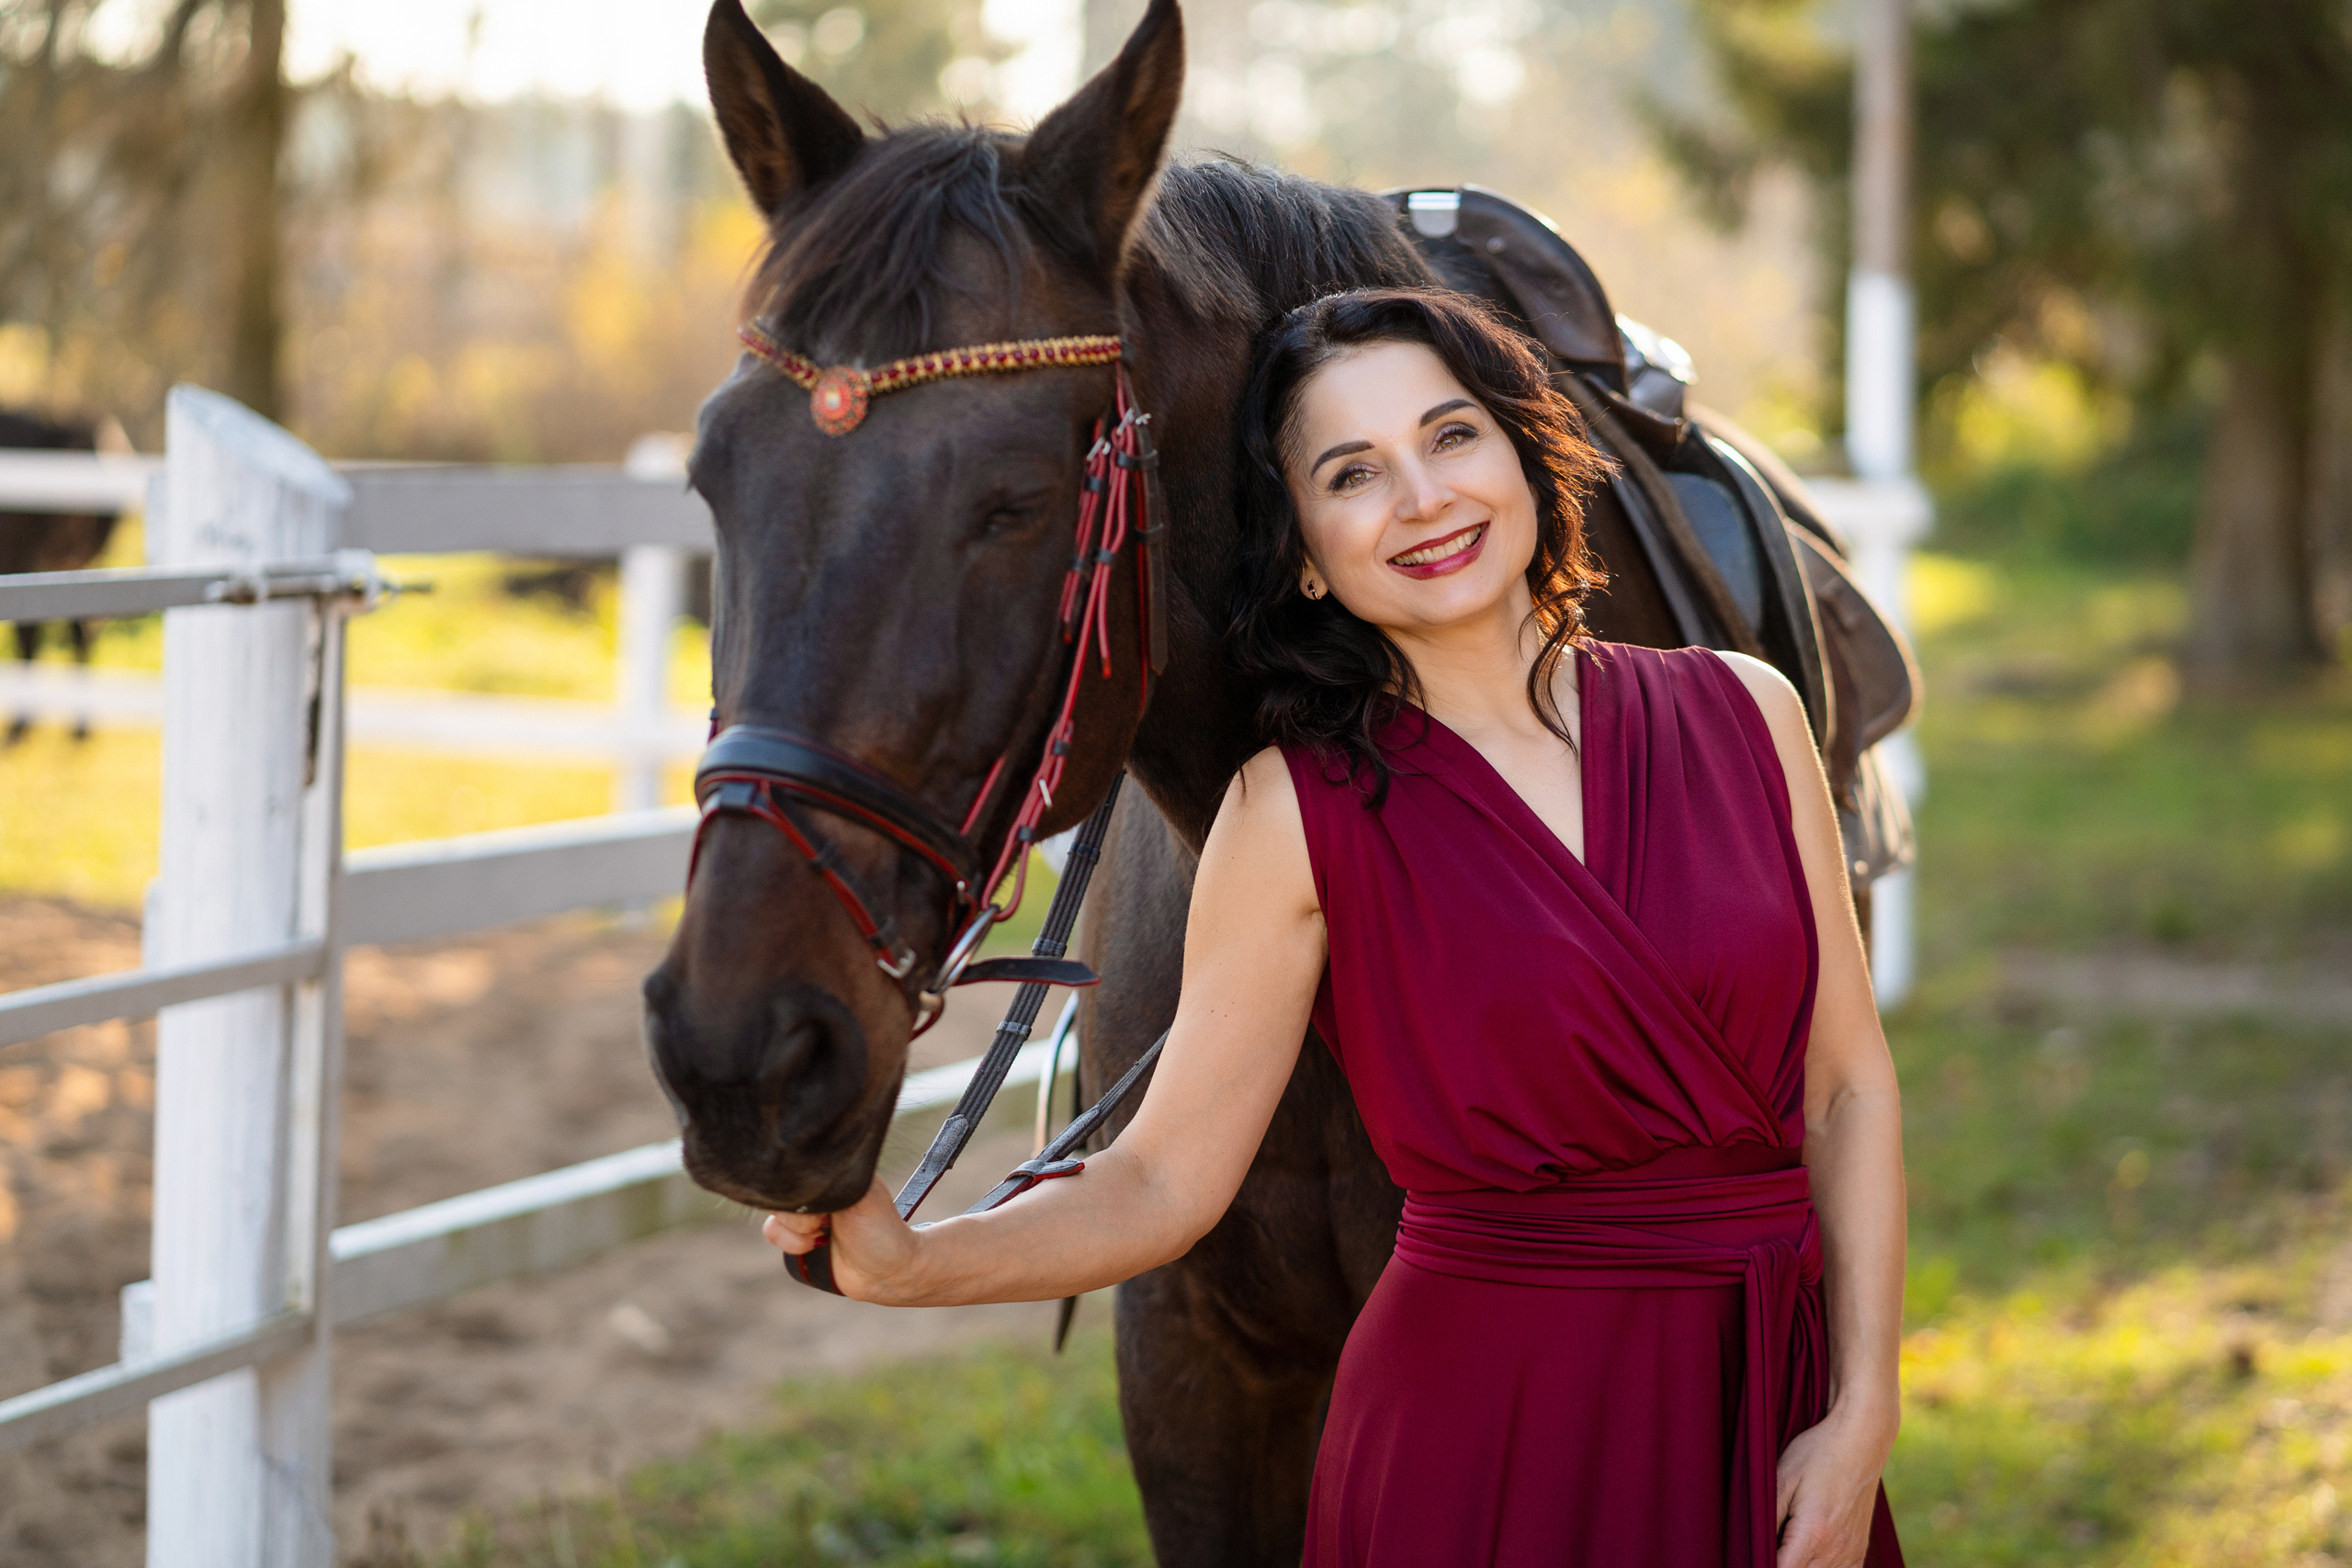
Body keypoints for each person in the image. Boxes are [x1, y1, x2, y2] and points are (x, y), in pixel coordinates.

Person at [763, 288, 1909, 1567]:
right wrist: (918, 1263)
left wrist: (1863, 1405)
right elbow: (1161, 1179)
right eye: (1353, 472)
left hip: (1768, 1401)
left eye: (1452, 436)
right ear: (1306, 548)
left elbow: (1846, 1087)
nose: (1423, 497)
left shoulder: (1747, 713)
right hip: (1481, 1447)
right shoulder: (1294, 814)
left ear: (1527, 452)